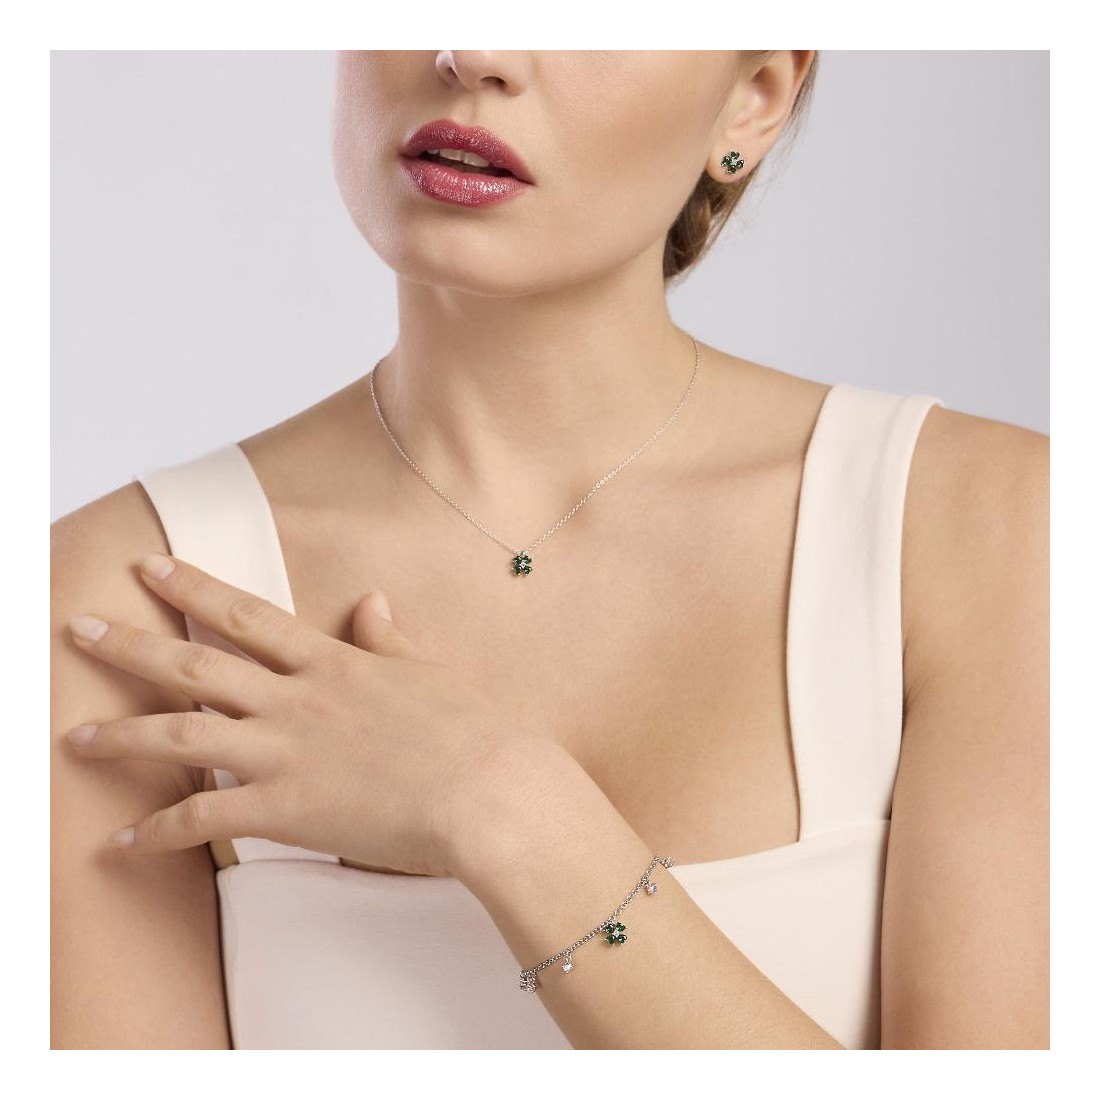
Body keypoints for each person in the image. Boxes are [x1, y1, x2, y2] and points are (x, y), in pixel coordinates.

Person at [50, 50, 1048, 1050]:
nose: (473, 51)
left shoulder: (986, 532)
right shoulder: (117, 609)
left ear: (752, 98)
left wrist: (500, 806)